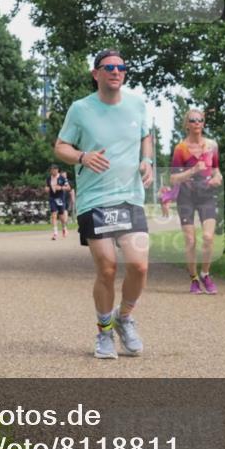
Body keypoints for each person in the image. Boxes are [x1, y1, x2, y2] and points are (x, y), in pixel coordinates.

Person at [54, 49, 154, 359]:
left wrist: (147, 159)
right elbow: (61, 147)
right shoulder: (81, 109)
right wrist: (83, 156)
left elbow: (146, 135)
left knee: (139, 265)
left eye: (121, 67)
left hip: (130, 197)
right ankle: (104, 332)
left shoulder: (137, 104)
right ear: (96, 73)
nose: (115, 71)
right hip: (96, 200)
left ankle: (124, 318)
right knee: (108, 269)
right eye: (108, 67)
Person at [169, 109, 222, 294]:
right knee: (190, 241)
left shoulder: (212, 146)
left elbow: (216, 170)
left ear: (204, 123)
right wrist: (192, 171)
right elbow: (174, 179)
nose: (197, 123)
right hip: (186, 196)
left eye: (200, 120)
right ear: (187, 124)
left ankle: (205, 274)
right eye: (193, 120)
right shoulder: (180, 149)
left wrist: (218, 178)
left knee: (208, 237)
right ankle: (193, 280)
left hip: (206, 195)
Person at [45, 165, 69, 240]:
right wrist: (46, 188)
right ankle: (55, 233)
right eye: (51, 170)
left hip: (60, 198)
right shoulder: (48, 178)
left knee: (61, 215)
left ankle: (64, 228)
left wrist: (61, 188)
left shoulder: (62, 178)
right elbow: (47, 186)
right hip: (52, 198)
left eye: (54, 170)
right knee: (53, 215)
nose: (52, 171)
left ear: (57, 170)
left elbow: (68, 187)